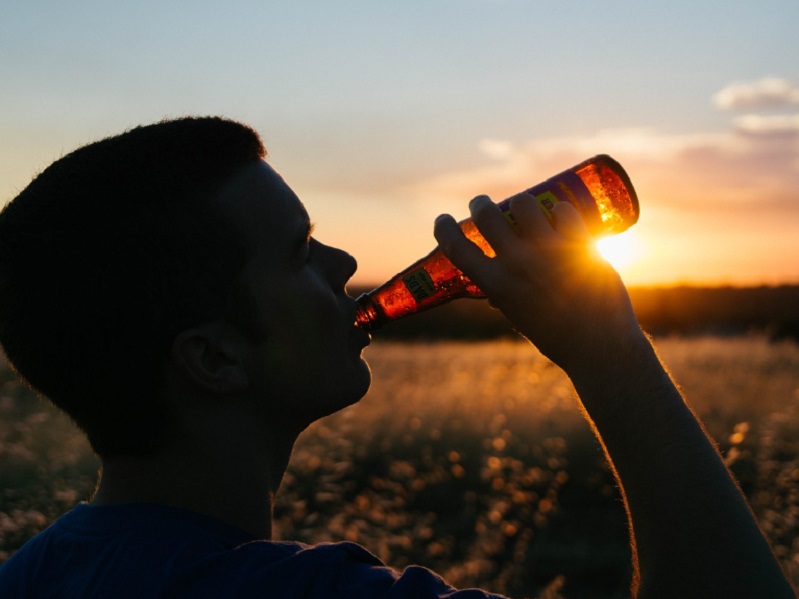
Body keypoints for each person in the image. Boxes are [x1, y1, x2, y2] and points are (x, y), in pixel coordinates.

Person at [0, 116, 793, 599]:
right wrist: (610, 356)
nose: (343, 262)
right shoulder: (298, 596)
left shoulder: (33, 573)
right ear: (212, 357)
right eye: (300, 251)